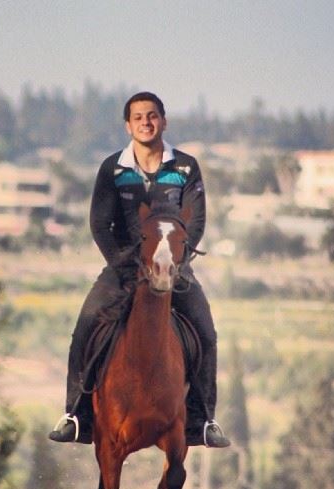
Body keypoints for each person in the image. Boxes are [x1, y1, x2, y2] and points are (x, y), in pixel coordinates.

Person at [49, 91, 229, 448]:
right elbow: (100, 225)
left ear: (163, 120)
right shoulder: (112, 169)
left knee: (206, 335)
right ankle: (76, 414)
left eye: (152, 116)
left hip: (174, 269)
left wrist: (176, 264)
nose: (145, 123)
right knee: (84, 327)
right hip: (123, 268)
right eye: (138, 118)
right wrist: (124, 264)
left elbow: (196, 221)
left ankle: (202, 419)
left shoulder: (186, 167)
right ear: (127, 125)